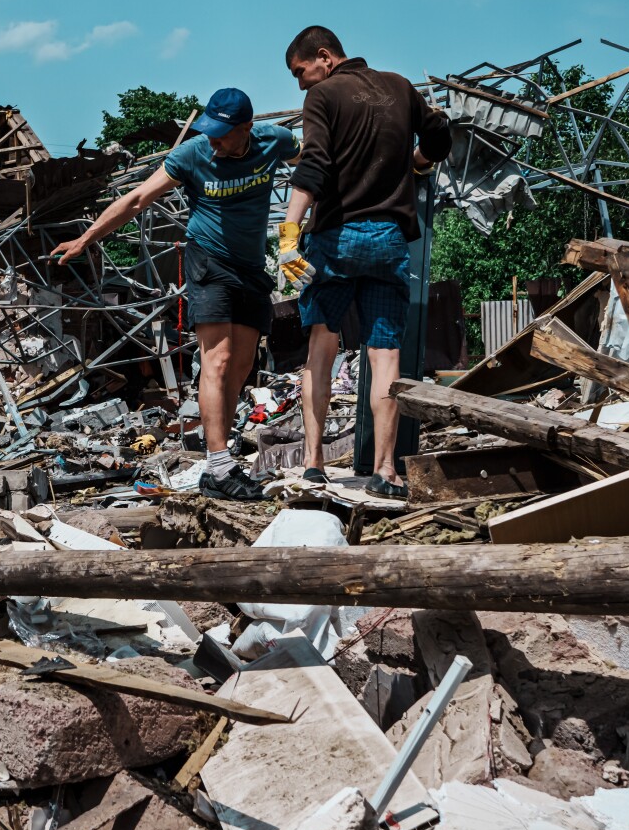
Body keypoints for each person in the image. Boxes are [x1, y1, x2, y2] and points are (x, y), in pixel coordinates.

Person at [53, 88, 299, 501]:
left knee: (241, 365)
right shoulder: (192, 154)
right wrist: (87, 238)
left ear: (246, 129)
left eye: (222, 134)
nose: (214, 142)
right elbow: (136, 199)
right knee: (216, 360)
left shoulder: (274, 140)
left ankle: (222, 457)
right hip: (209, 263)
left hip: (252, 268)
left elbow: (311, 165)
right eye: (210, 133)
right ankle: (219, 466)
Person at [276, 26, 451, 497]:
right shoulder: (400, 86)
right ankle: (385, 471)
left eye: (300, 71)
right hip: (389, 240)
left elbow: (313, 164)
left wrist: (289, 231)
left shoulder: (324, 97)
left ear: (325, 56)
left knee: (320, 349)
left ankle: (313, 463)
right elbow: (440, 135)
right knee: (386, 356)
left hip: (335, 239)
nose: (300, 84)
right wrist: (416, 162)